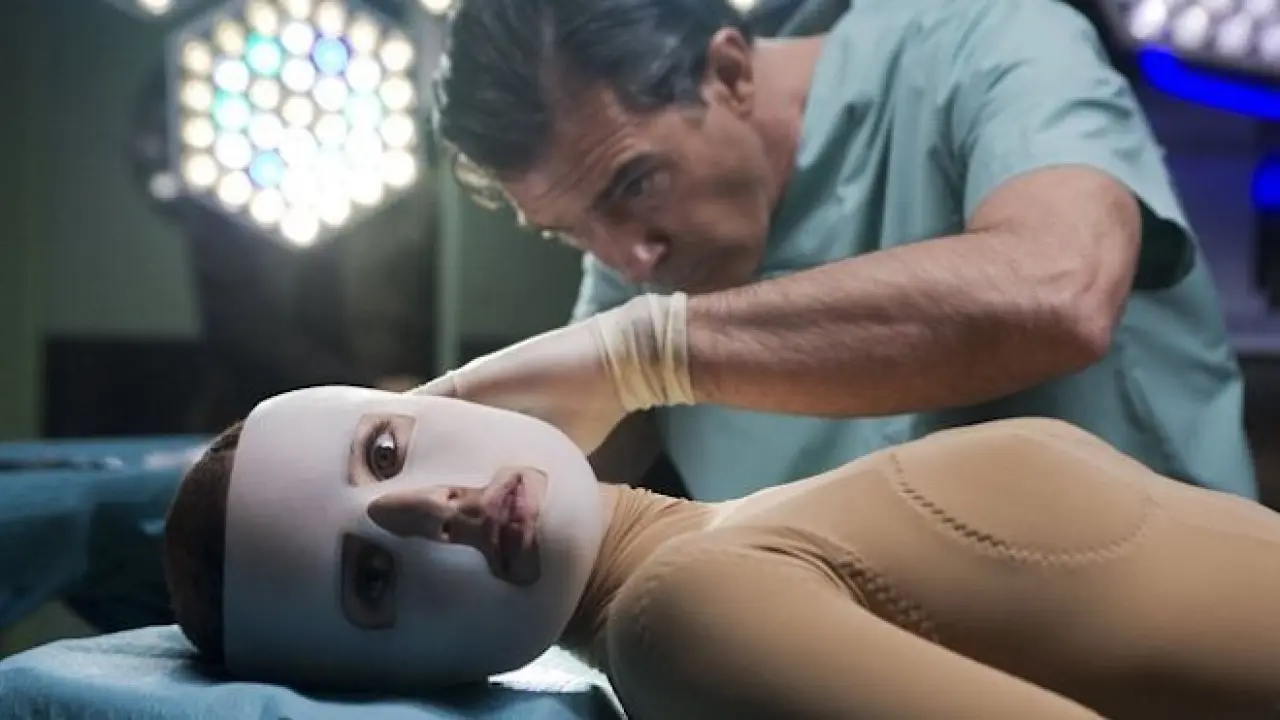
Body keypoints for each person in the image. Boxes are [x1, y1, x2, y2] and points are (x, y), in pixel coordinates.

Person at [416, 0, 1256, 501]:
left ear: (731, 74)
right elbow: (568, 475)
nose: (626, 259)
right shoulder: (634, 251)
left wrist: (654, 354)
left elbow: (1059, 291)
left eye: (633, 184)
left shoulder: (988, 41)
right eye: (569, 231)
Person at [163, 386, 1280, 718]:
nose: (431, 511)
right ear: (411, 679)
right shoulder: (680, 616)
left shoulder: (725, 535)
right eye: (369, 578)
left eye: (385, 449)